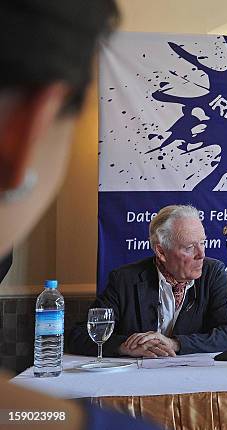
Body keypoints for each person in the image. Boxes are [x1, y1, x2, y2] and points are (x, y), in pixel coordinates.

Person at [0, 1, 161, 428]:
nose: (198, 254)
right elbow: (77, 339)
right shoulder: (128, 278)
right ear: (26, 134)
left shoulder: (214, 276)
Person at [68, 205, 227, 357]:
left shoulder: (213, 273)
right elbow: (80, 335)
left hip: (195, 379)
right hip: (136, 381)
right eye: (189, 247)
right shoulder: (125, 280)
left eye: (203, 243)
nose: (201, 254)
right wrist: (125, 347)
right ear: (161, 252)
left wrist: (175, 343)